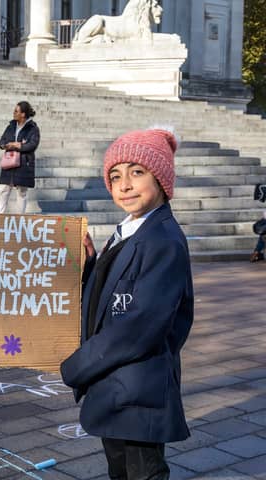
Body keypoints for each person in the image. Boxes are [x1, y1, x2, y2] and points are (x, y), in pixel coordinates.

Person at [60, 128, 194, 480]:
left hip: (139, 387)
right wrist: (92, 265)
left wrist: (78, 366)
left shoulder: (163, 240)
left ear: (162, 179)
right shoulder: (131, 229)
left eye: (137, 172)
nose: (125, 185)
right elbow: (111, 299)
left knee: (142, 473)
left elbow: (140, 327)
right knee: (120, 469)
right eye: (115, 176)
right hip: (116, 383)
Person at [0, 101, 40, 214]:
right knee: (3, 189)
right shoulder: (11, 126)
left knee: (21, 192)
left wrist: (18, 145)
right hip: (9, 162)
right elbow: (1, 140)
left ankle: (18, 219)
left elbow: (33, 144)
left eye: (16, 111)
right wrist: (4, 145)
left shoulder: (33, 128)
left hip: (24, 164)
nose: (13, 113)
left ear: (23, 114)